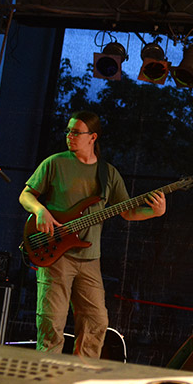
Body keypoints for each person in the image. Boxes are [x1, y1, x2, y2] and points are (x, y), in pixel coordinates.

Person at [19, 110, 166, 357]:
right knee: (52, 323)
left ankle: (82, 375)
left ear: (93, 137)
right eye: (68, 131)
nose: (69, 136)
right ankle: (47, 378)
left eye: (76, 132)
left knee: (96, 322)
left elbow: (128, 212)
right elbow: (26, 195)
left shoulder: (108, 173)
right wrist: (40, 210)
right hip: (56, 255)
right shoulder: (55, 163)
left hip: (90, 260)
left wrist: (155, 212)